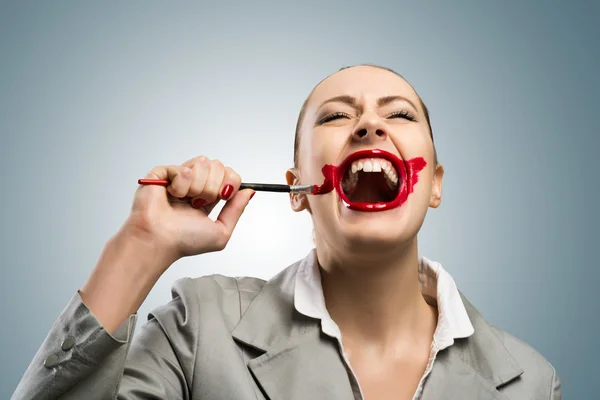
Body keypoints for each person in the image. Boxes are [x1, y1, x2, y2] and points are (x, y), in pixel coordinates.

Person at [13, 65, 561, 400]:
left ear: (433, 184)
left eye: (398, 114)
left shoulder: (532, 385)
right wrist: (139, 246)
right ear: (298, 189)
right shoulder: (197, 330)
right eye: (335, 118)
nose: (370, 126)